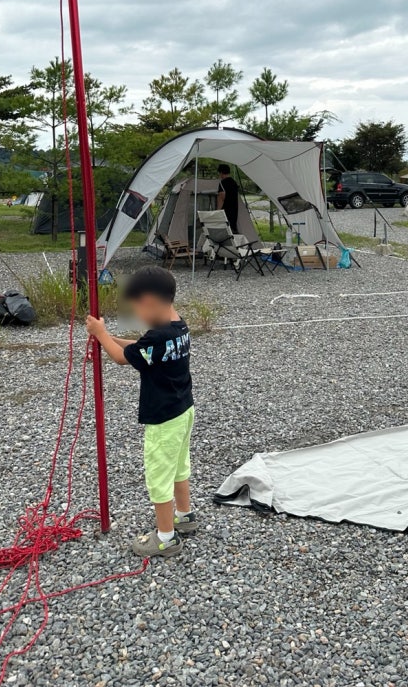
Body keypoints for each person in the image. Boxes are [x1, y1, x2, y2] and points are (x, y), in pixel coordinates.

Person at [85, 266, 196, 559]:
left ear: (148, 301)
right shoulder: (178, 327)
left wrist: (101, 333)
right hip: (184, 410)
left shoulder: (156, 337)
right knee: (179, 467)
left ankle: (165, 539)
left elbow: (123, 358)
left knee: (159, 476)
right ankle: (184, 516)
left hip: (163, 419)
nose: (139, 316)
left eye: (137, 310)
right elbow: (137, 349)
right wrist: (106, 338)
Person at [216, 163, 239, 233]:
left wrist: (217, 212)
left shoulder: (222, 183)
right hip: (234, 212)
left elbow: (221, 198)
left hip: (225, 212)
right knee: (232, 229)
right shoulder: (234, 183)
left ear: (221, 173)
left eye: (219, 173)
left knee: (224, 232)